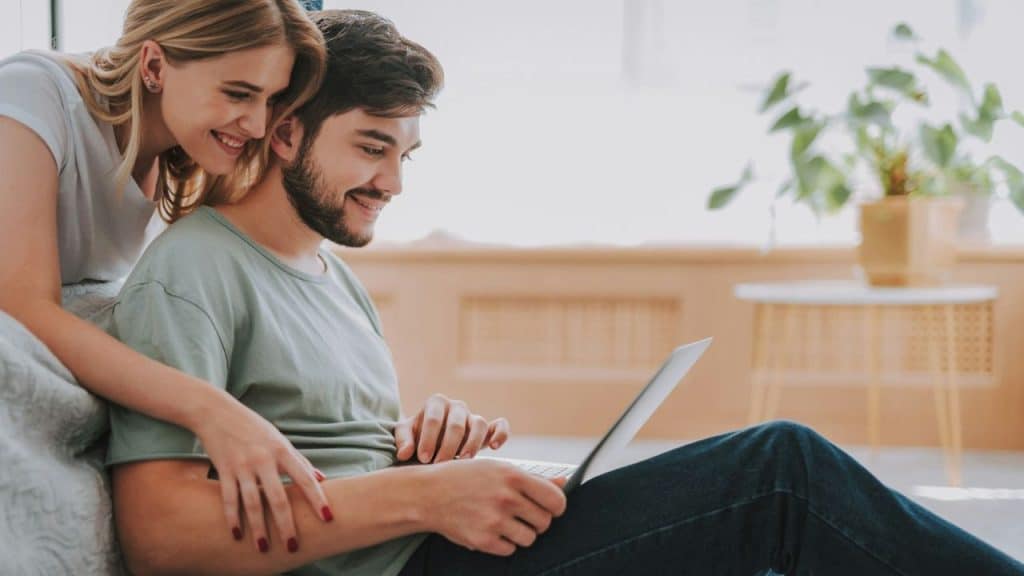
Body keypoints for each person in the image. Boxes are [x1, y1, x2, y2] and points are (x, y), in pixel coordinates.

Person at [105, 9, 1024, 576]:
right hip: (409, 566)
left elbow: (323, 456)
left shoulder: (328, 273)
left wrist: (428, 455)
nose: (393, 182)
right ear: (286, 132)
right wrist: (427, 500)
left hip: (434, 545)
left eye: (404, 154)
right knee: (780, 474)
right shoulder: (193, 270)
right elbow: (159, 535)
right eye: (372, 146)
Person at [0, 0, 335, 554]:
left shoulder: (182, 154)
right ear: (154, 66)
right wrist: (210, 408)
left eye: (272, 100)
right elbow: (23, 308)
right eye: (238, 93)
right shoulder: (33, 93)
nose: (256, 124)